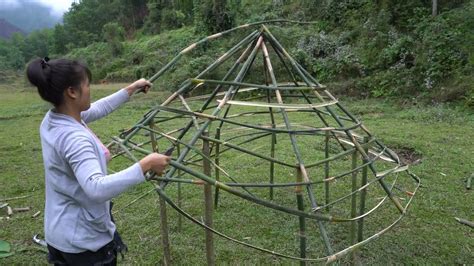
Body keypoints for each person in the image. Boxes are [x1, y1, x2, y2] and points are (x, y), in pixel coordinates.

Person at [26, 57, 170, 265]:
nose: (90, 89)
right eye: (87, 84)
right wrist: (145, 165)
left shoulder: (54, 120)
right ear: (72, 92)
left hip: (59, 233)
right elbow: (96, 188)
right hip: (83, 244)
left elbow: (98, 108)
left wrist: (131, 89)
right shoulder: (75, 139)